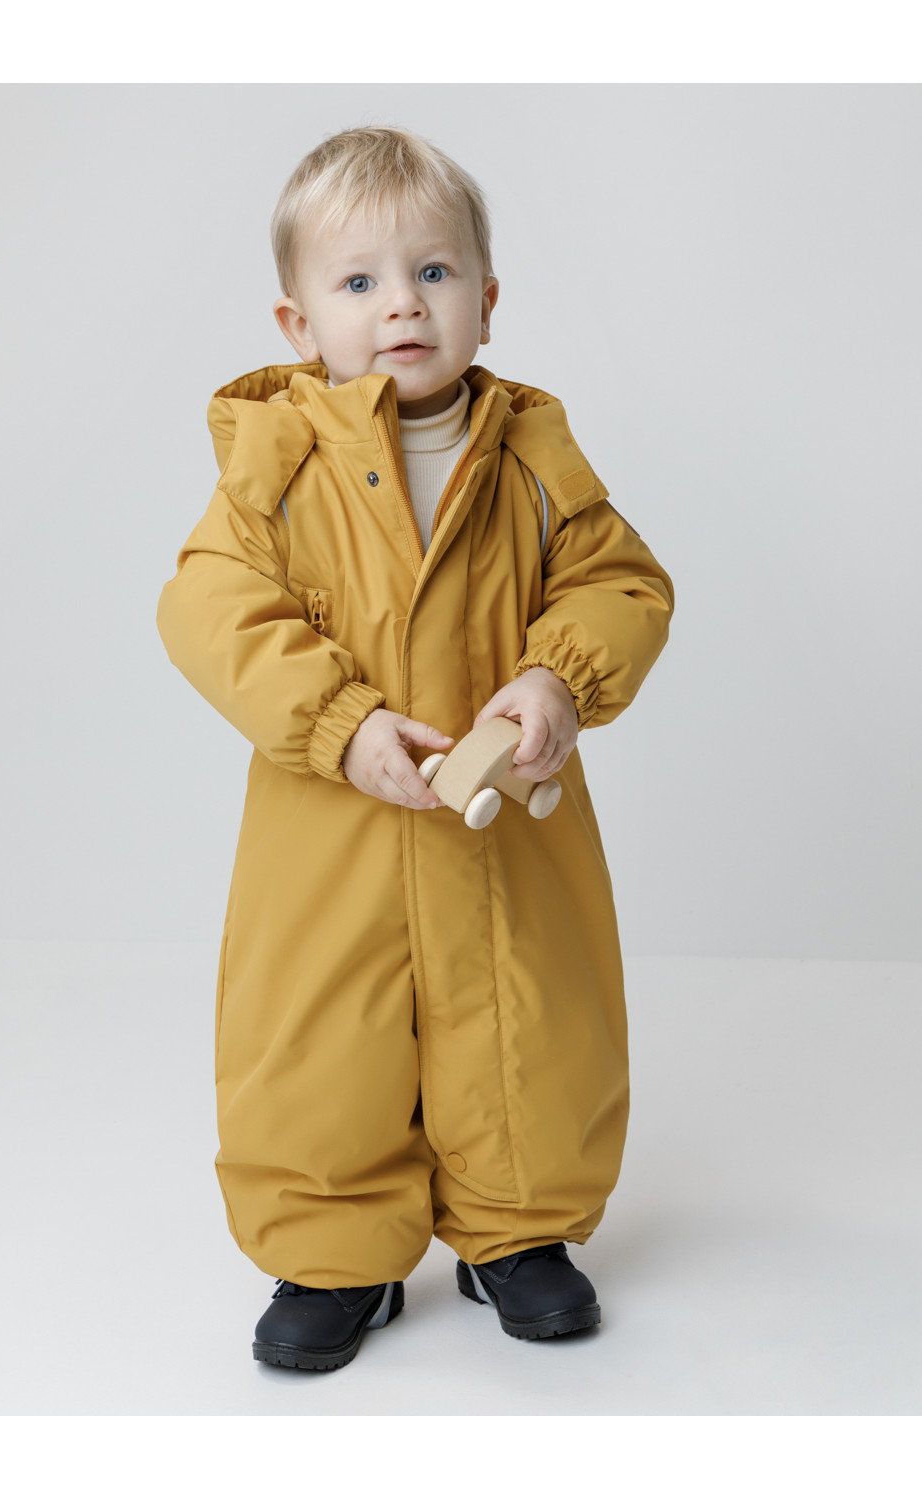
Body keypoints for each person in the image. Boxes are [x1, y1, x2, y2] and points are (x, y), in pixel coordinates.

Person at [156, 126, 674, 1372]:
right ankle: (333, 1253)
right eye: (359, 281)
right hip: (331, 831)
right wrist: (337, 724)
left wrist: (558, 675)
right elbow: (209, 609)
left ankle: (517, 1232)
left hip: (504, 825)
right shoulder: (279, 469)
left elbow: (619, 584)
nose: (401, 303)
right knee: (318, 1031)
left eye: (434, 272)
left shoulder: (532, 461)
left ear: (486, 301)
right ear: (299, 324)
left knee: (529, 1017)